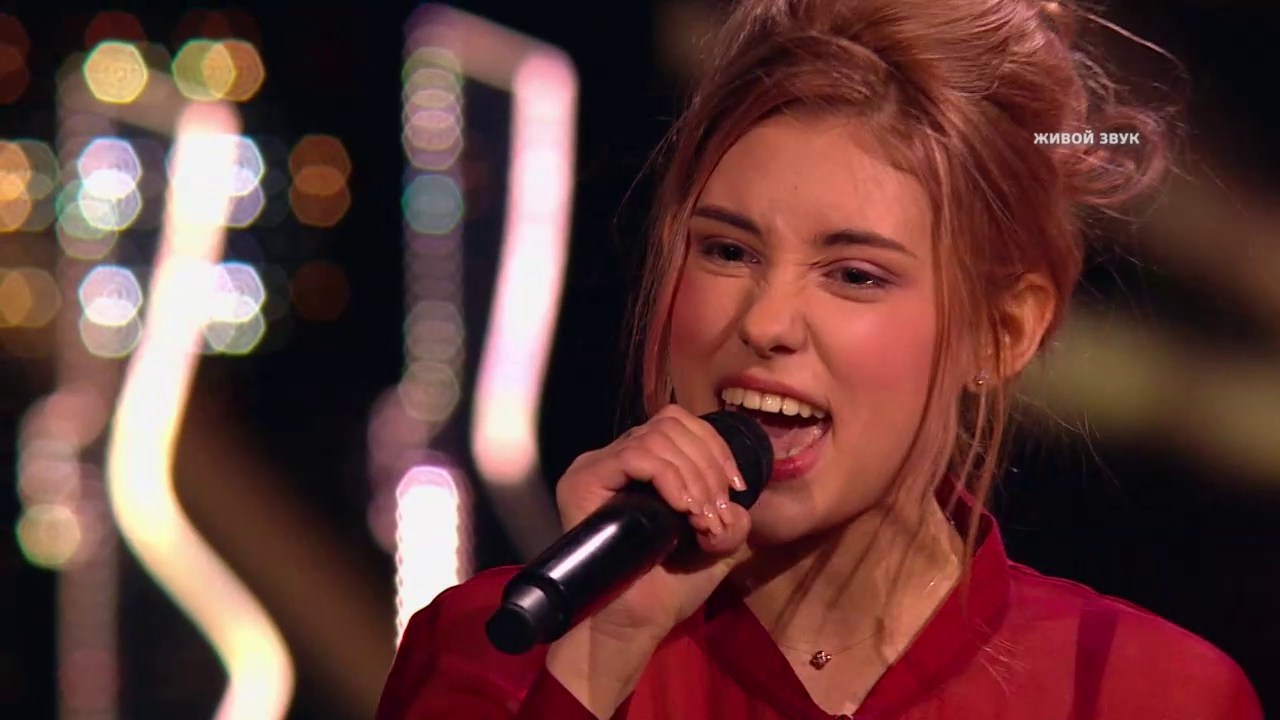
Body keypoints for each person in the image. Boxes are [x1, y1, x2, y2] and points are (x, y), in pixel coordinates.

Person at [376, 0, 1265, 717]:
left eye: (854, 274)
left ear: (1003, 330)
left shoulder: (1145, 693)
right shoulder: (493, 648)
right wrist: (598, 658)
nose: (766, 322)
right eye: (728, 251)